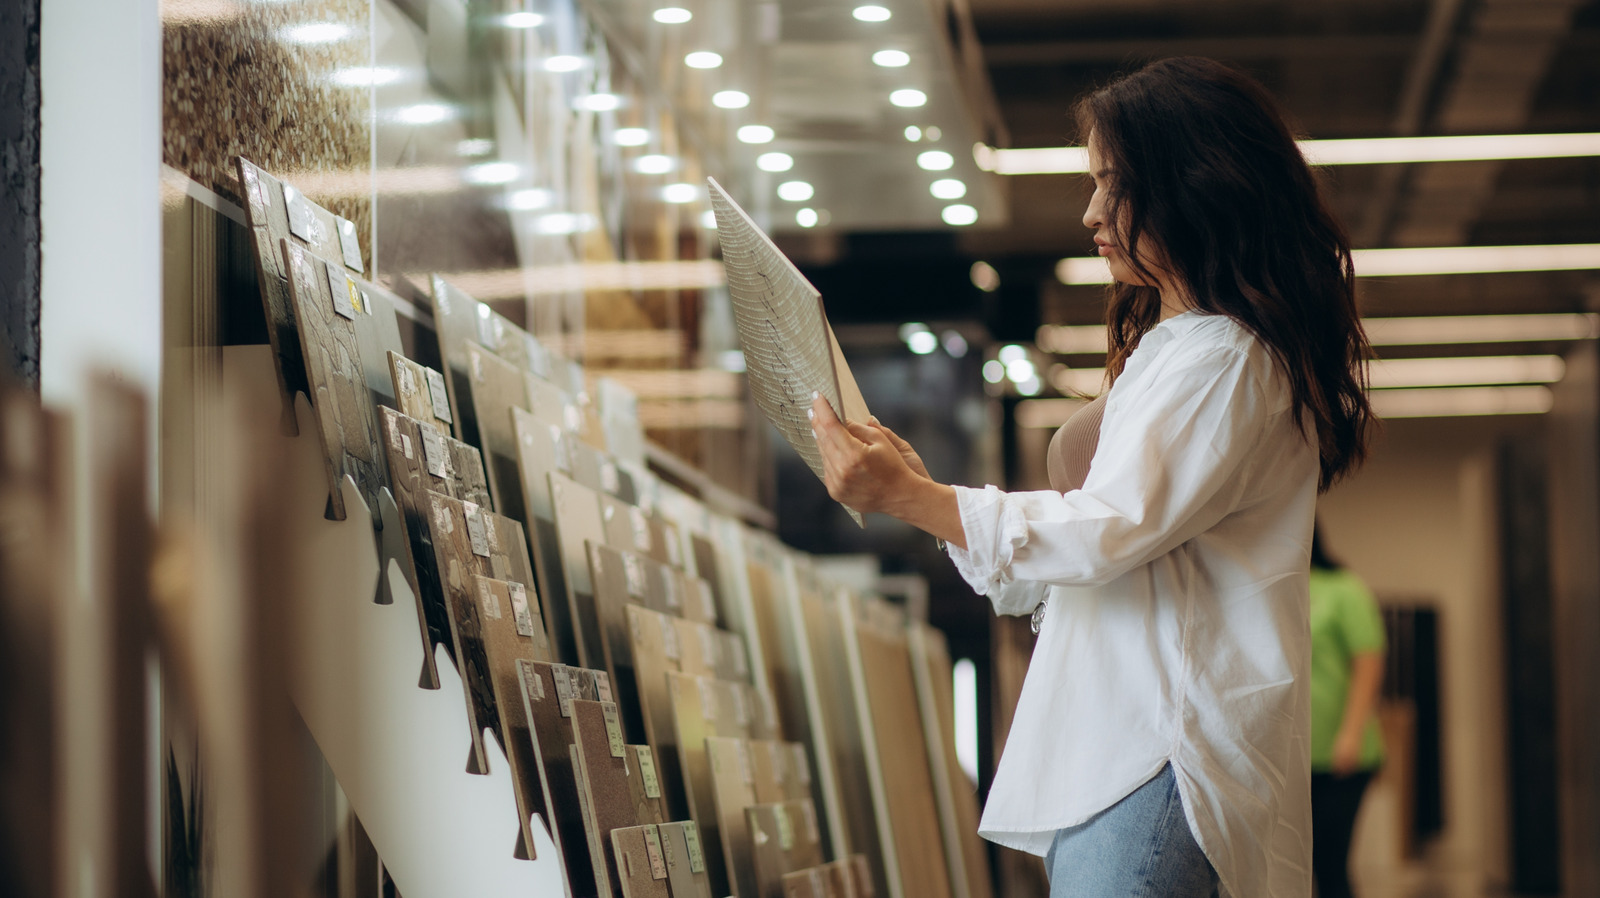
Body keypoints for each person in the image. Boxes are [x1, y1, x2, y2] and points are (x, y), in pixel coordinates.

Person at [808, 56, 1373, 898]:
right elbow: (1090, 559)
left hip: (1156, 756)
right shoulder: (1180, 349)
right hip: (1124, 753)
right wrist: (925, 497)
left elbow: (1108, 530)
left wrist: (916, 499)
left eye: (1116, 185)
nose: (1091, 212)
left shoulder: (1224, 356)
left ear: (1193, 186)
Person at [1308, 524, 1386, 898]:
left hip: (1339, 756)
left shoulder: (1343, 588)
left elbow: (1368, 662)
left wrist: (1351, 734)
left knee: (1330, 868)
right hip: (1290, 758)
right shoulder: (1272, 585)